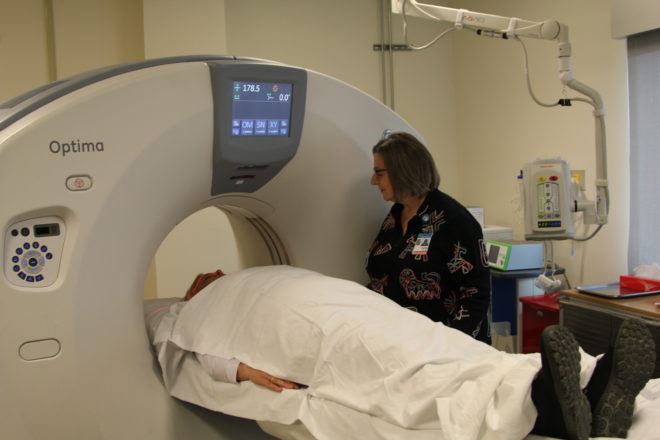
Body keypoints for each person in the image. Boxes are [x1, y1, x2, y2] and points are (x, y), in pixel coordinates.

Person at [145, 266, 656, 440]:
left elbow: (342, 298)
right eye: (202, 282)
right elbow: (194, 356)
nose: (210, 278)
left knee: (434, 345)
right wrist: (245, 370)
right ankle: (549, 402)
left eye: (213, 275)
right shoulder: (189, 316)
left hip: (347, 310)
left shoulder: (260, 275)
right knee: (405, 369)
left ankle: (584, 387)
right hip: (315, 338)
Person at [366, 131, 491, 342]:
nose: (373, 181)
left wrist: (453, 345)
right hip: (399, 340)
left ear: (402, 171)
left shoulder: (454, 221)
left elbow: (475, 295)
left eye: (379, 173)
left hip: (445, 346)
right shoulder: (395, 216)